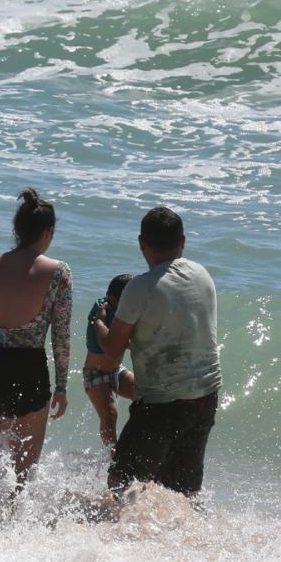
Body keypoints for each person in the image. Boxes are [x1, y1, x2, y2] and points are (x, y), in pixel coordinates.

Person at [98, 207, 222, 499]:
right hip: (205, 396)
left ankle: (118, 537)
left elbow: (113, 350)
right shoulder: (201, 273)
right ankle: (181, 539)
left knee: (120, 478)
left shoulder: (140, 287)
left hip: (162, 403)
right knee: (182, 490)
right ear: (183, 241)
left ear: (141, 243)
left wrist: (100, 323)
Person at [0, 188, 72, 486]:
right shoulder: (58, 272)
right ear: (48, 232)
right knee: (23, 473)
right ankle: (14, 528)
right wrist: (61, 386)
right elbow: (61, 336)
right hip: (25, 368)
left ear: (16, 229)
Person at [82, 273, 138, 447]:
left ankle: (138, 446)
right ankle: (112, 458)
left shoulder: (126, 310)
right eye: (129, 298)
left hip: (117, 371)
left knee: (147, 395)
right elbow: (112, 341)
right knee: (110, 414)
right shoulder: (101, 309)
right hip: (95, 374)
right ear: (113, 299)